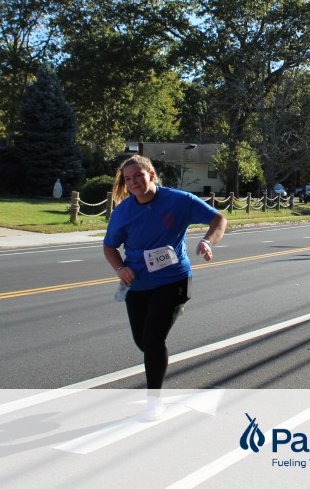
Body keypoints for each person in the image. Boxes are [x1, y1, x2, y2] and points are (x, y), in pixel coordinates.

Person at [103, 155, 227, 420]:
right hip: (138, 283)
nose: (133, 182)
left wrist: (208, 241)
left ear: (152, 175)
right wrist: (120, 268)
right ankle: (170, 313)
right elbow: (109, 246)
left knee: (153, 340)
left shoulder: (178, 200)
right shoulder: (123, 212)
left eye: (138, 176)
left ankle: (153, 402)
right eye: (128, 179)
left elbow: (218, 219)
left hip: (174, 280)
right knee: (144, 343)